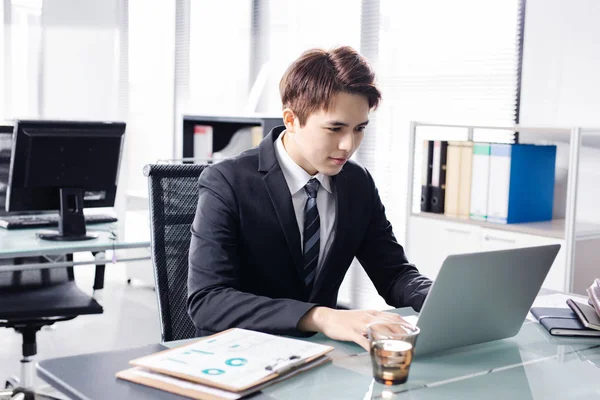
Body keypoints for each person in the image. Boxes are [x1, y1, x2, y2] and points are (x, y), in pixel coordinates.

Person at [188, 46, 432, 350]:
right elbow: (208, 302)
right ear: (291, 120)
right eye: (335, 129)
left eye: (359, 129)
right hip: (237, 356)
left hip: (317, 358)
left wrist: (438, 297)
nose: (348, 145)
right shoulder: (227, 182)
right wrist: (321, 317)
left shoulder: (357, 184)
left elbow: (393, 274)